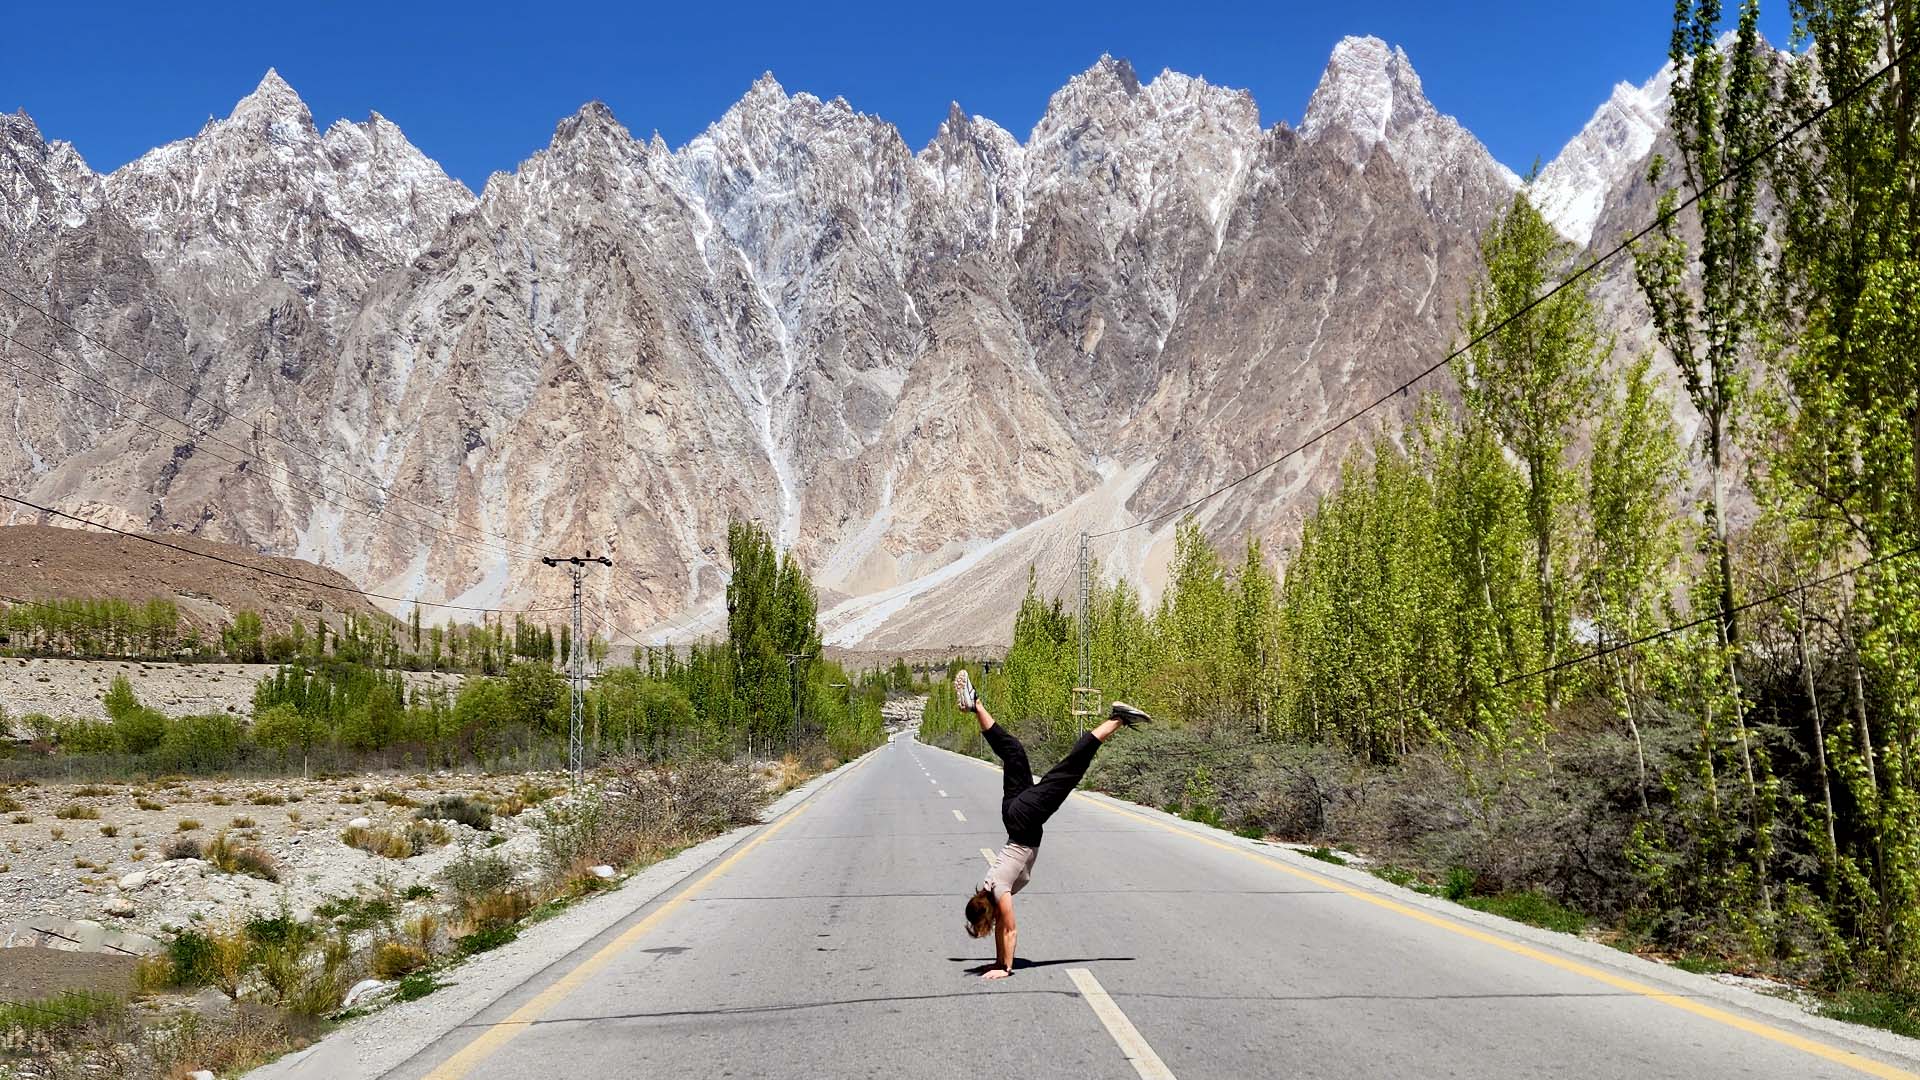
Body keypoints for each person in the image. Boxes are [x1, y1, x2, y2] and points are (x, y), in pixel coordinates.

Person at [957, 668, 1149, 979]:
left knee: (1068, 771)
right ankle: (975, 704)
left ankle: (1117, 719)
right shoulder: (990, 891)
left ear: (986, 915)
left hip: (1024, 822)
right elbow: (1001, 930)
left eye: (982, 927)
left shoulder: (1000, 891)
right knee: (1014, 752)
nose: (987, 929)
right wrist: (996, 963)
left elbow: (1010, 930)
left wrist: (1005, 969)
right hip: (1014, 817)